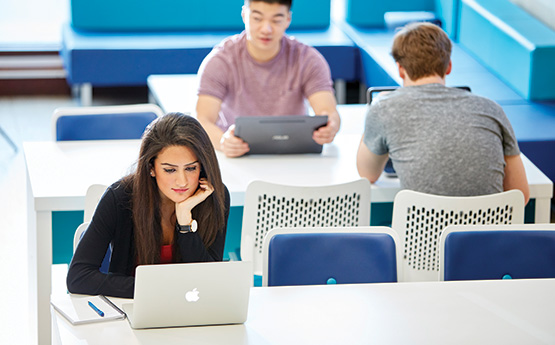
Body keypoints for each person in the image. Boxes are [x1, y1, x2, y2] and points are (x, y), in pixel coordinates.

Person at [356, 22, 530, 203]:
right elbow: (520, 195)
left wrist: (377, 107)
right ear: (448, 66)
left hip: (423, 230)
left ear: (400, 69)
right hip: (489, 230)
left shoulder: (385, 108)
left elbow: (368, 174)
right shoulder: (491, 109)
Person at [67, 113, 230, 298]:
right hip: (133, 309)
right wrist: (156, 290)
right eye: (170, 170)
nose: (182, 181)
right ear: (151, 168)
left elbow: (208, 280)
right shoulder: (119, 198)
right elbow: (78, 277)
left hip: (190, 311)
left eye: (191, 168)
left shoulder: (214, 196)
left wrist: (185, 225)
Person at [196, 0, 340, 158]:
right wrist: (223, 141)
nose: (266, 29)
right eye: (257, 18)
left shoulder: (308, 59)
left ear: (288, 20)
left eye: (276, 20)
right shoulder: (220, 60)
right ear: (244, 15)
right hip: (237, 154)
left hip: (294, 154)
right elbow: (202, 119)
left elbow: (328, 111)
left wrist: (330, 126)